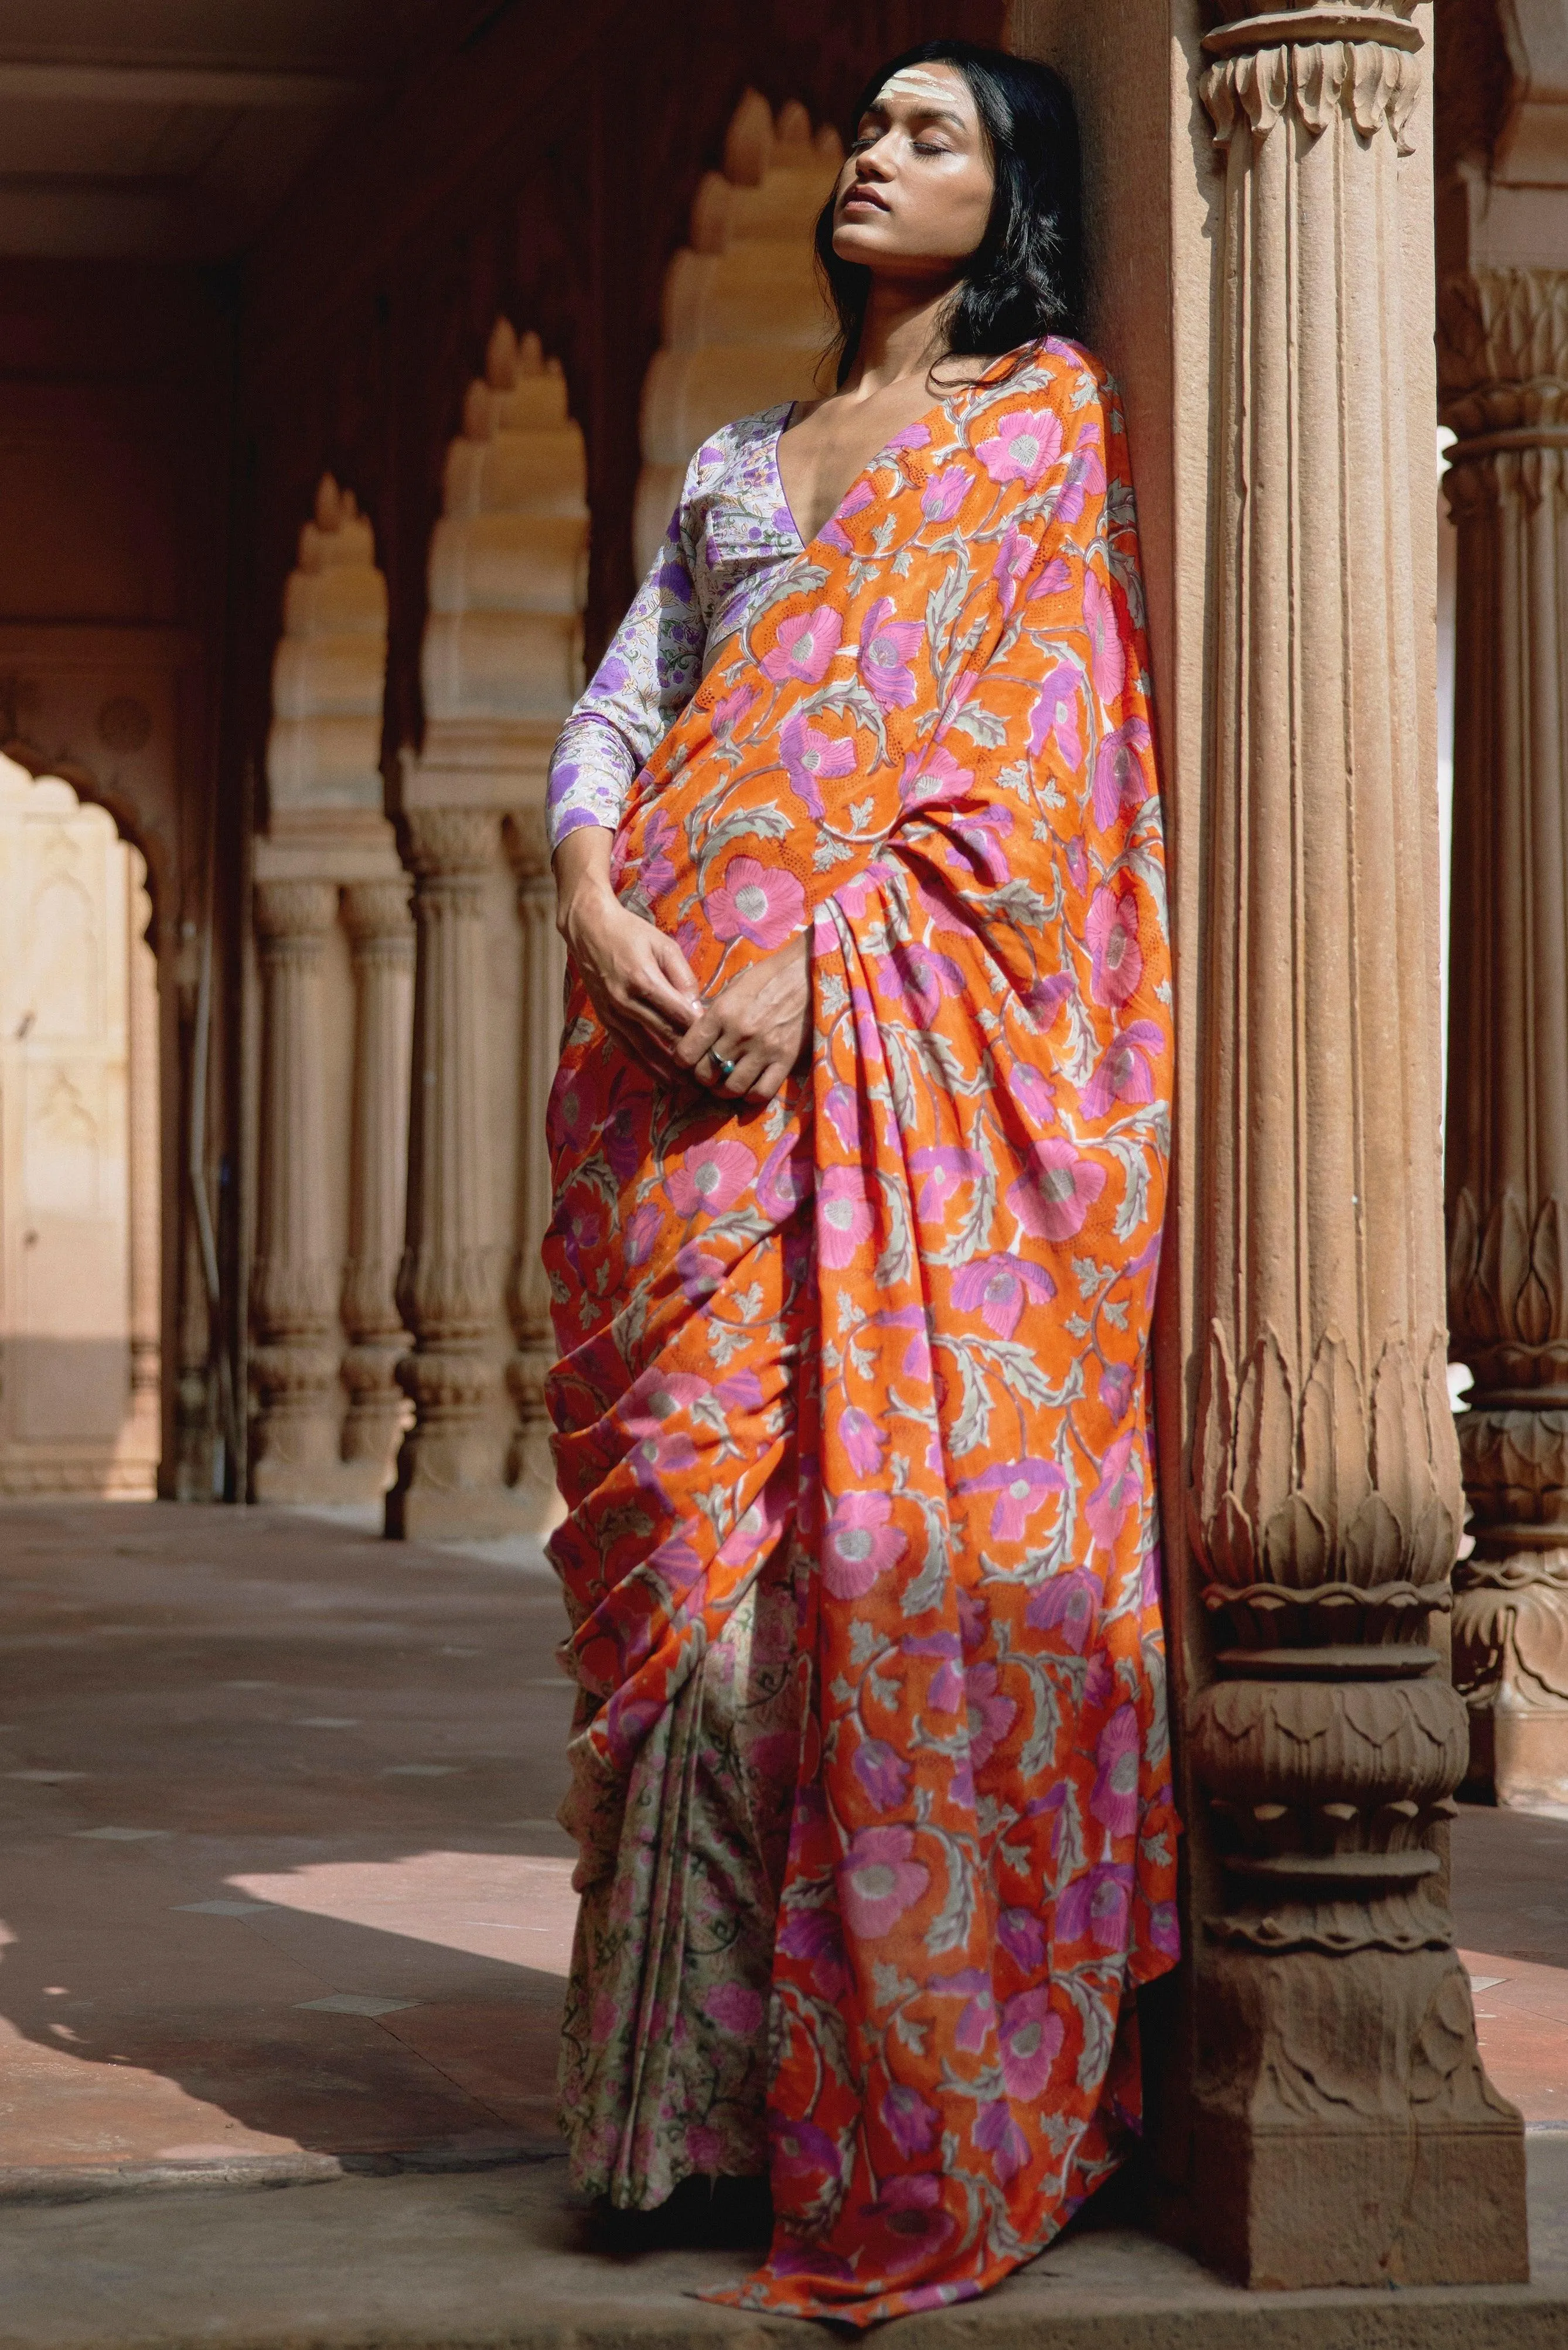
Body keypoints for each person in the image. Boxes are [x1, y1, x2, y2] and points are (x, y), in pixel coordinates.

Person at [542, 39, 1177, 2325]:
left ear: (1009, 191)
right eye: (869, 124)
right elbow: (627, 705)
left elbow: (1043, 773)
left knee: (811, 1587)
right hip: (658, 1086)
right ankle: (655, 2118)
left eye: (932, 134)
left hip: (884, 1075)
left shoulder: (1040, 435)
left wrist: (836, 960)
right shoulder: (740, 463)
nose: (869, 158)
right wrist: (595, 888)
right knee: (680, 1580)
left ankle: (791, 2114)